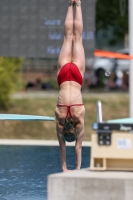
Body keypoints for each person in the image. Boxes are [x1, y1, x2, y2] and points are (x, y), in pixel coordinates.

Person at [55, 0, 85, 172]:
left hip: (76, 77)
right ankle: (70, 5)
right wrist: (65, 167)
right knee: (69, 38)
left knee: (77, 38)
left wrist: (77, 167)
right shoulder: (58, 117)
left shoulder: (80, 117)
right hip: (64, 76)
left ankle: (78, 4)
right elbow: (62, 146)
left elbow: (78, 147)